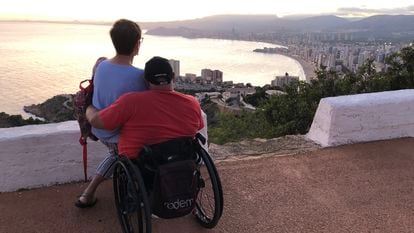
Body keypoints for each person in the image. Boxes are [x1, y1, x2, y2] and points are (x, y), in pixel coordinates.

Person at [75, 19, 147, 208]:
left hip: (98, 127)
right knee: (120, 154)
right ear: (137, 44)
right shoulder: (139, 76)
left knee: (115, 154)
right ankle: (89, 193)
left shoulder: (101, 65)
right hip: (116, 133)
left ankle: (88, 194)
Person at [85, 56, 204, 161]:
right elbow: (199, 126)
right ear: (173, 77)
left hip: (144, 165)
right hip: (182, 161)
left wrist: (89, 108)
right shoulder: (192, 103)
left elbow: (97, 122)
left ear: (146, 80)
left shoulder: (131, 102)